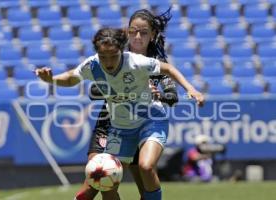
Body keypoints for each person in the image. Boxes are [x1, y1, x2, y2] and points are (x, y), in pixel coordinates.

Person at [35, 27, 205, 200]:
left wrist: (192, 89)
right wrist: (51, 79)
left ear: (121, 51)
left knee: (145, 167)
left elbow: (168, 68)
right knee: (105, 181)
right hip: (121, 129)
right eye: (103, 57)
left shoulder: (135, 62)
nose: (108, 62)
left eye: (113, 56)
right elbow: (71, 77)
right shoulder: (92, 65)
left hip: (151, 120)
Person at [76, 8, 178, 200]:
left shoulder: (157, 62)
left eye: (143, 32)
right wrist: (124, 91)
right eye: (133, 31)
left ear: (153, 34)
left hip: (142, 124)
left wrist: (159, 96)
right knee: (96, 177)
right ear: (127, 32)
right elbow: (93, 90)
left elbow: (172, 95)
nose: (137, 36)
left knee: (143, 185)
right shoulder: (115, 53)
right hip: (111, 122)